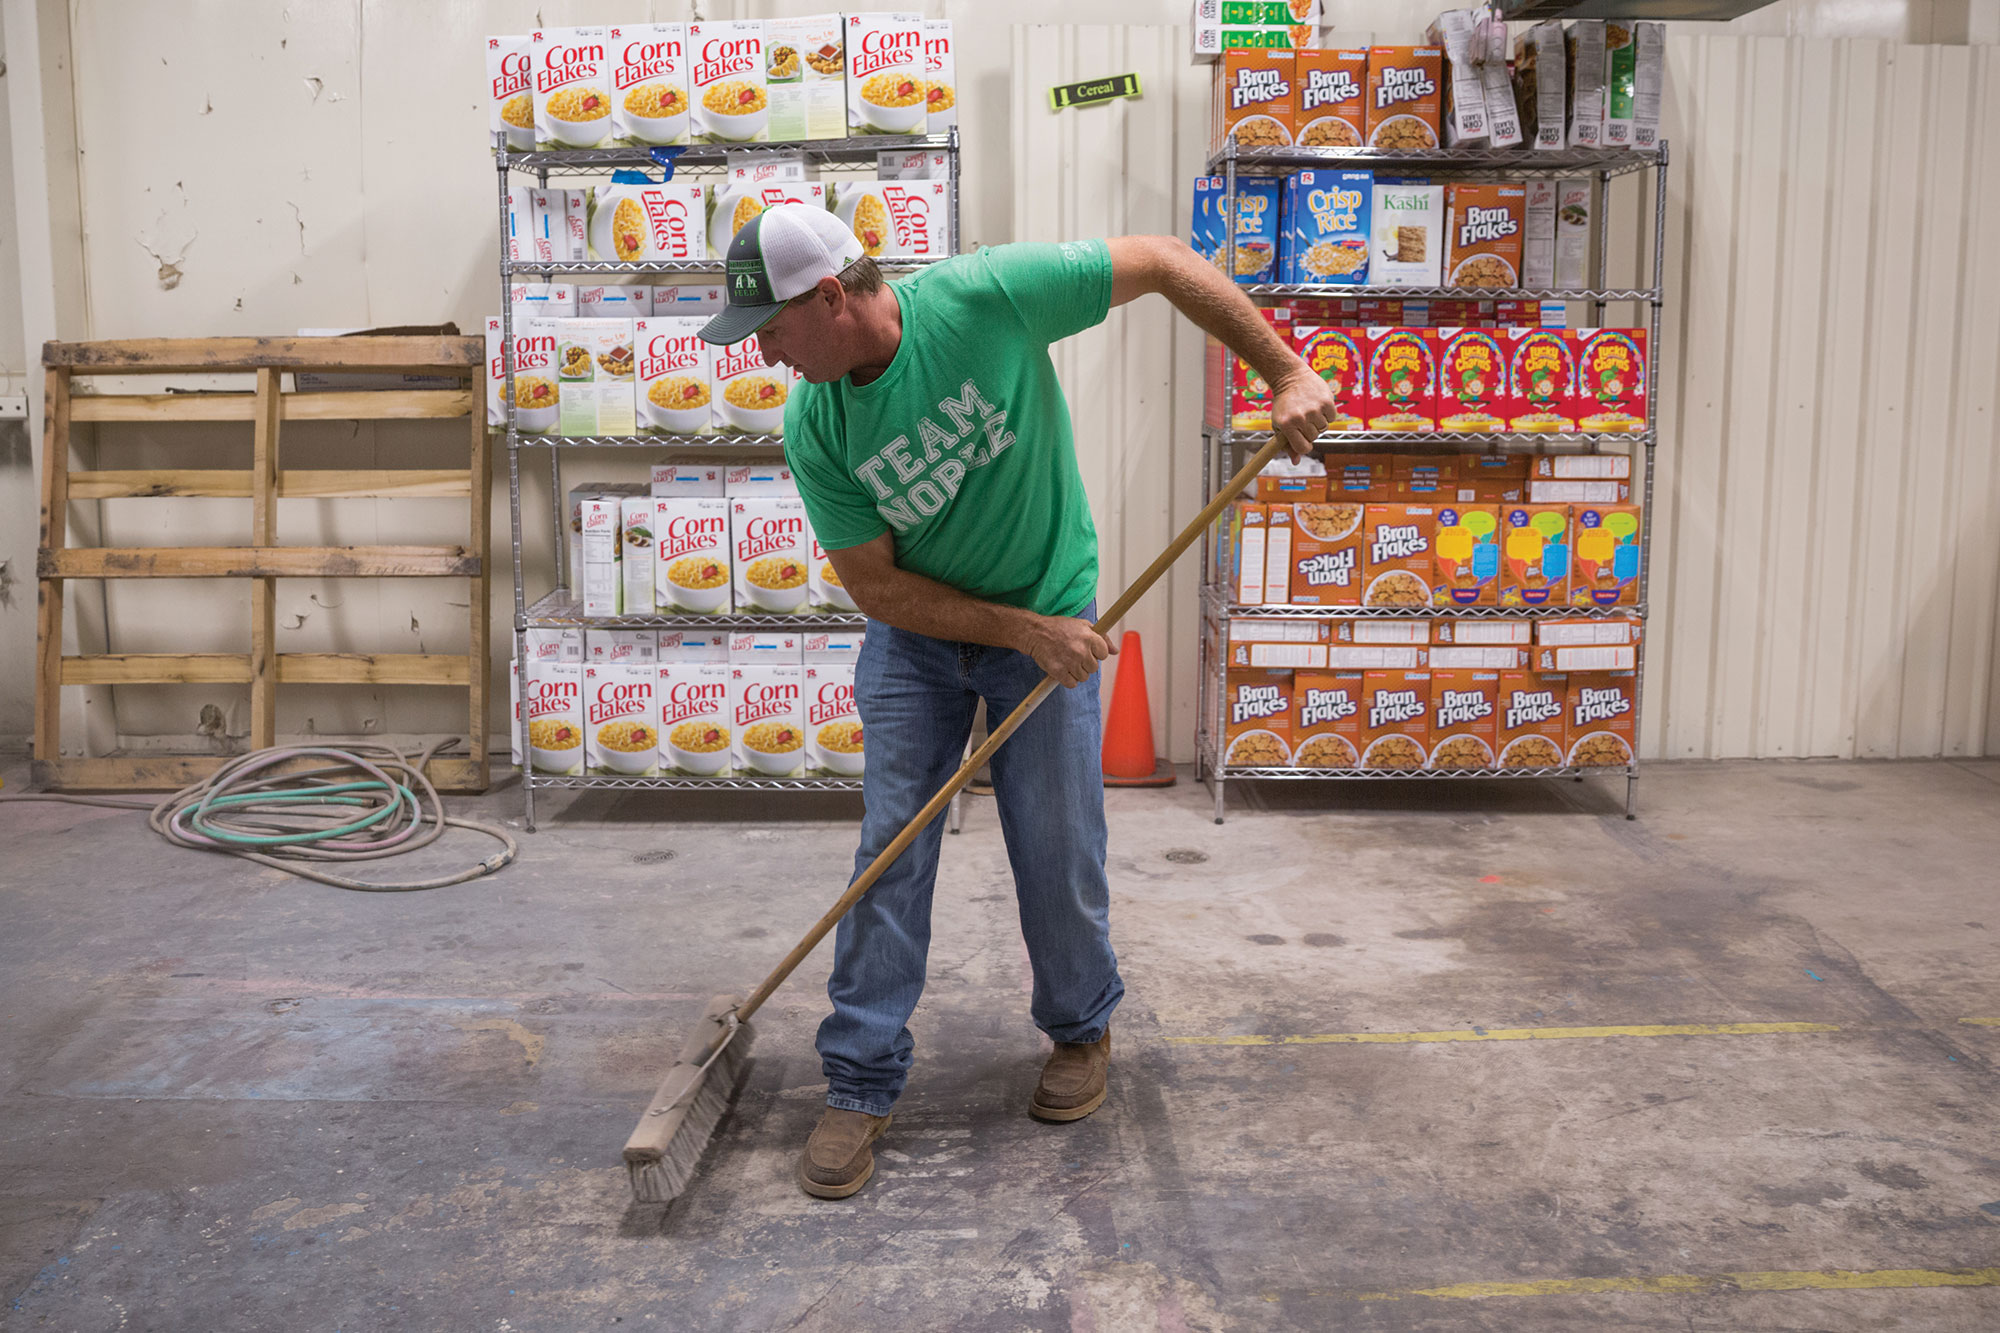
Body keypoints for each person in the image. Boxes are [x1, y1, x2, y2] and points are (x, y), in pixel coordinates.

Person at [699, 204, 1335, 1199]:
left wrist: (1285, 373)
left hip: (1049, 615)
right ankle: (860, 1080)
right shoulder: (814, 423)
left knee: (1054, 839)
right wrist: (1015, 633)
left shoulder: (982, 299)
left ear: (829, 298)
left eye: (772, 330)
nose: (766, 356)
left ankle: (1080, 1030)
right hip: (923, 641)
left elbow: (1165, 261)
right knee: (891, 848)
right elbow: (877, 590)